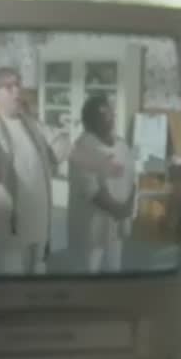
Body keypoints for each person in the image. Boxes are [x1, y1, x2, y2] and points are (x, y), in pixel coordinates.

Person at [0, 66, 71, 275]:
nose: (16, 90)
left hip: (39, 231)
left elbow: (64, 147)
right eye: (8, 86)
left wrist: (38, 123)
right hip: (9, 239)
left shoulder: (34, 126)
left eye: (18, 85)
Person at [67, 93, 137, 273]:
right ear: (90, 120)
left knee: (114, 268)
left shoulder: (121, 144)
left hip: (117, 224)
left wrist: (128, 206)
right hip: (92, 229)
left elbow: (132, 177)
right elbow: (91, 190)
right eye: (104, 114)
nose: (111, 117)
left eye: (111, 112)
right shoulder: (82, 147)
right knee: (89, 271)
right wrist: (119, 210)